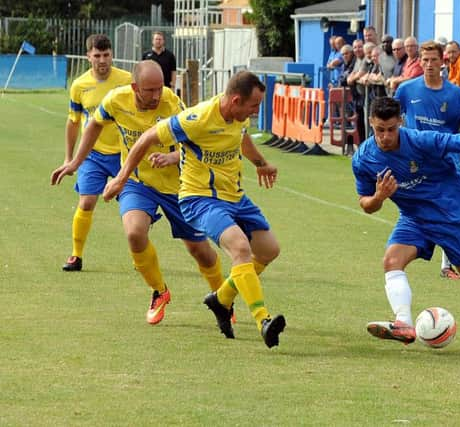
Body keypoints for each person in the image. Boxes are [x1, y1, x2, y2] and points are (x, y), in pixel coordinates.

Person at [102, 71, 286, 349]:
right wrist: (121, 178)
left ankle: (221, 299)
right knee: (240, 249)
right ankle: (263, 320)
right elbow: (147, 137)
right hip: (201, 198)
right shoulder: (197, 118)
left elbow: (241, 137)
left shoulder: (239, 117)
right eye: (253, 106)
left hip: (235, 197)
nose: (256, 111)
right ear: (235, 100)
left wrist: (261, 163)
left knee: (269, 250)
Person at [51, 60, 224, 325]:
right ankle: (159, 291)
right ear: (135, 87)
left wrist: (173, 157)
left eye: (160, 88)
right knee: (133, 232)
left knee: (200, 250)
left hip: (179, 185)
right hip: (137, 181)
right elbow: (94, 125)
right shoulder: (116, 100)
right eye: (150, 90)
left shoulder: (171, 102)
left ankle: (223, 299)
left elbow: (196, 142)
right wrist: (74, 161)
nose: (157, 95)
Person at [351, 96, 460, 349]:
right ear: (371, 123)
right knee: (392, 261)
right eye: (380, 130)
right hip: (413, 217)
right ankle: (403, 323)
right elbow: (366, 205)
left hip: (449, 213)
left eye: (391, 129)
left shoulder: (420, 140)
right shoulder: (364, 159)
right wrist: (379, 196)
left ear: (400, 122)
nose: (385, 136)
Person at [393, 40, 460, 281]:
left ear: (442, 62)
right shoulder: (407, 90)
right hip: (416, 165)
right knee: (418, 210)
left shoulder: (455, 94)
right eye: (425, 59)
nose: (429, 64)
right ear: (419, 60)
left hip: (447, 164)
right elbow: (392, 116)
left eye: (433, 60)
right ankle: (411, 255)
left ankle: (452, 262)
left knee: (453, 211)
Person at [58, 34, 132, 272]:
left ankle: (139, 256)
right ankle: (76, 255)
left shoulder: (127, 80)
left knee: (133, 209)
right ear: (88, 56)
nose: (102, 60)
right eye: (97, 55)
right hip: (94, 154)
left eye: (106, 55)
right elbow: (73, 122)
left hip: (125, 154)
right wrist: (69, 158)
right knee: (87, 202)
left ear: (112, 55)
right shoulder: (79, 86)